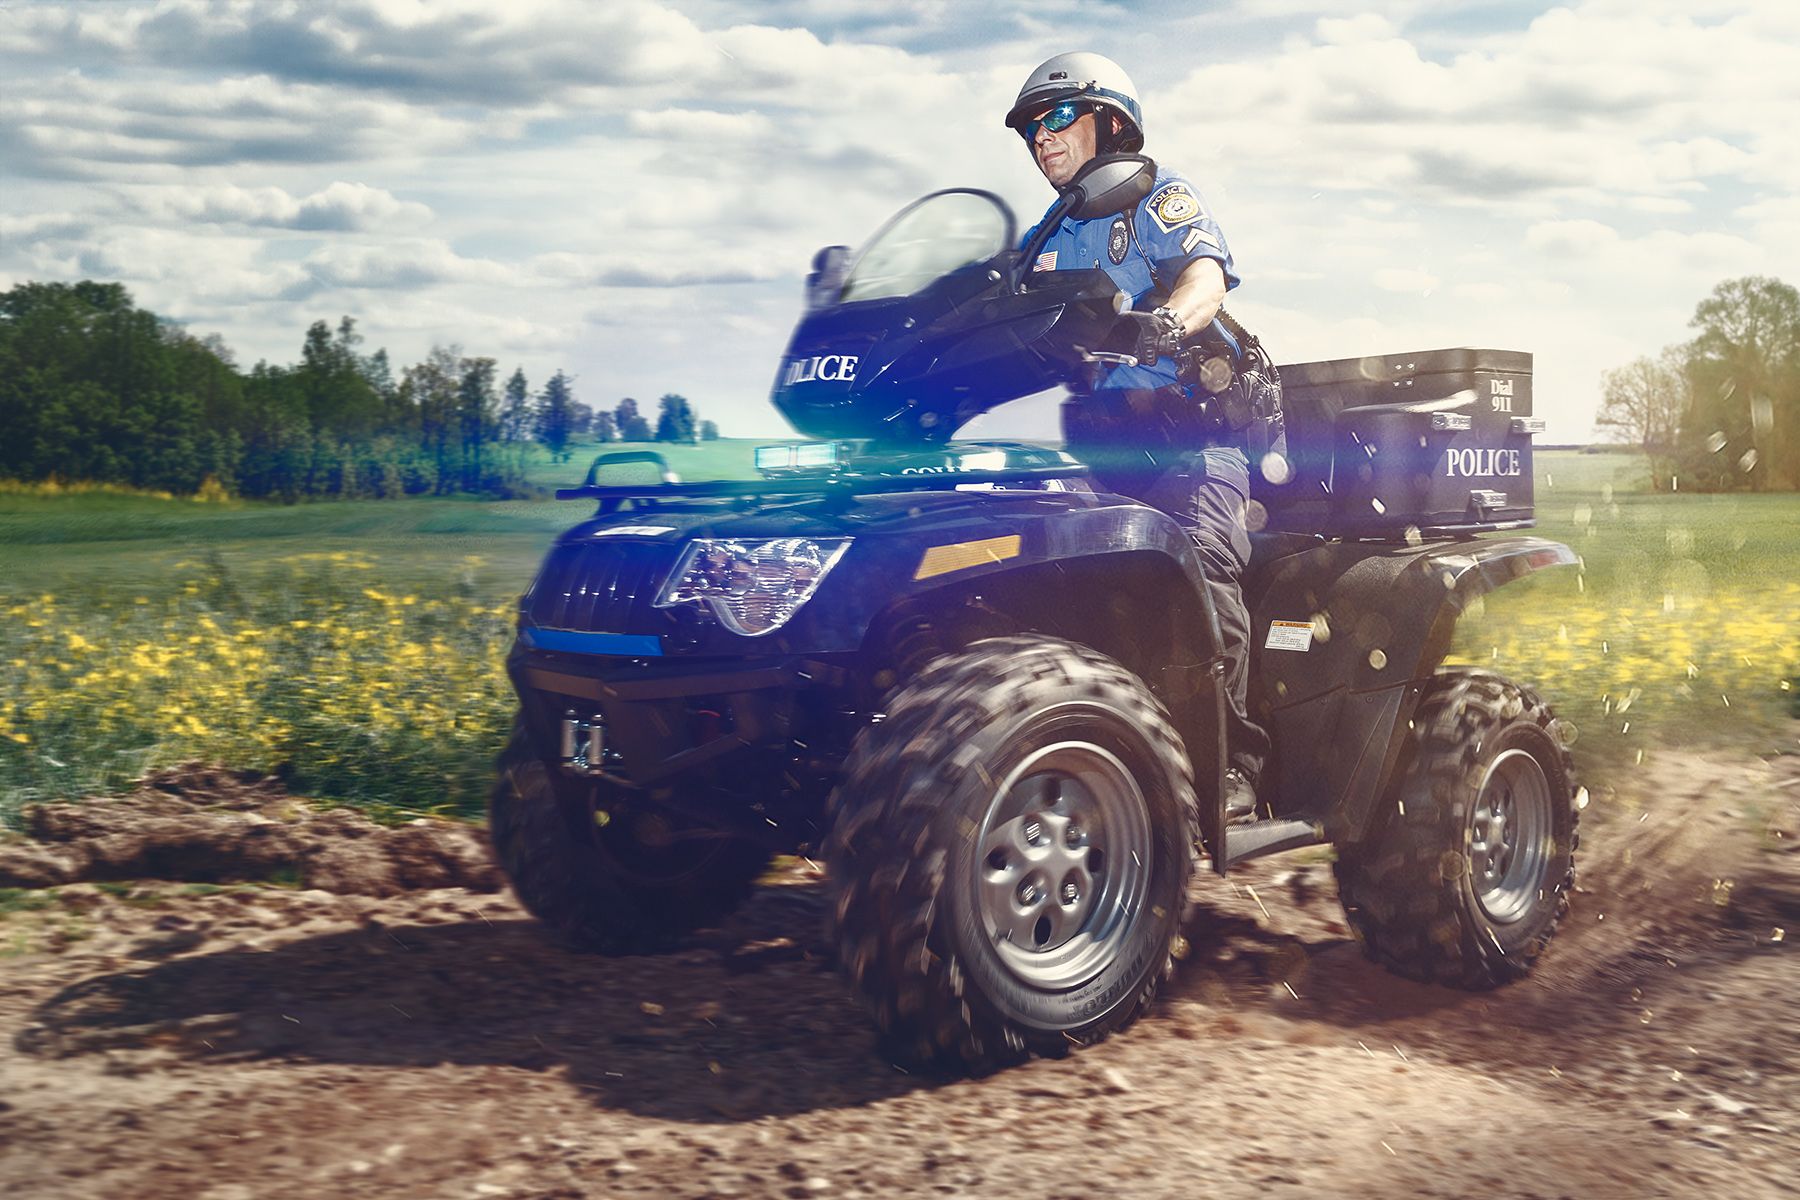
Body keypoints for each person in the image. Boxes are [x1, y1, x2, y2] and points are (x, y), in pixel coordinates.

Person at [1006, 51, 1278, 821]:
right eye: (1031, 128)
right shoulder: (1045, 235)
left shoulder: (1157, 198)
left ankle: (1229, 767)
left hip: (1193, 447)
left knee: (1200, 570)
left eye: (1058, 118)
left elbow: (1204, 277)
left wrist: (1168, 321)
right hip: (1096, 455)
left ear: (1112, 120)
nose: (1041, 138)